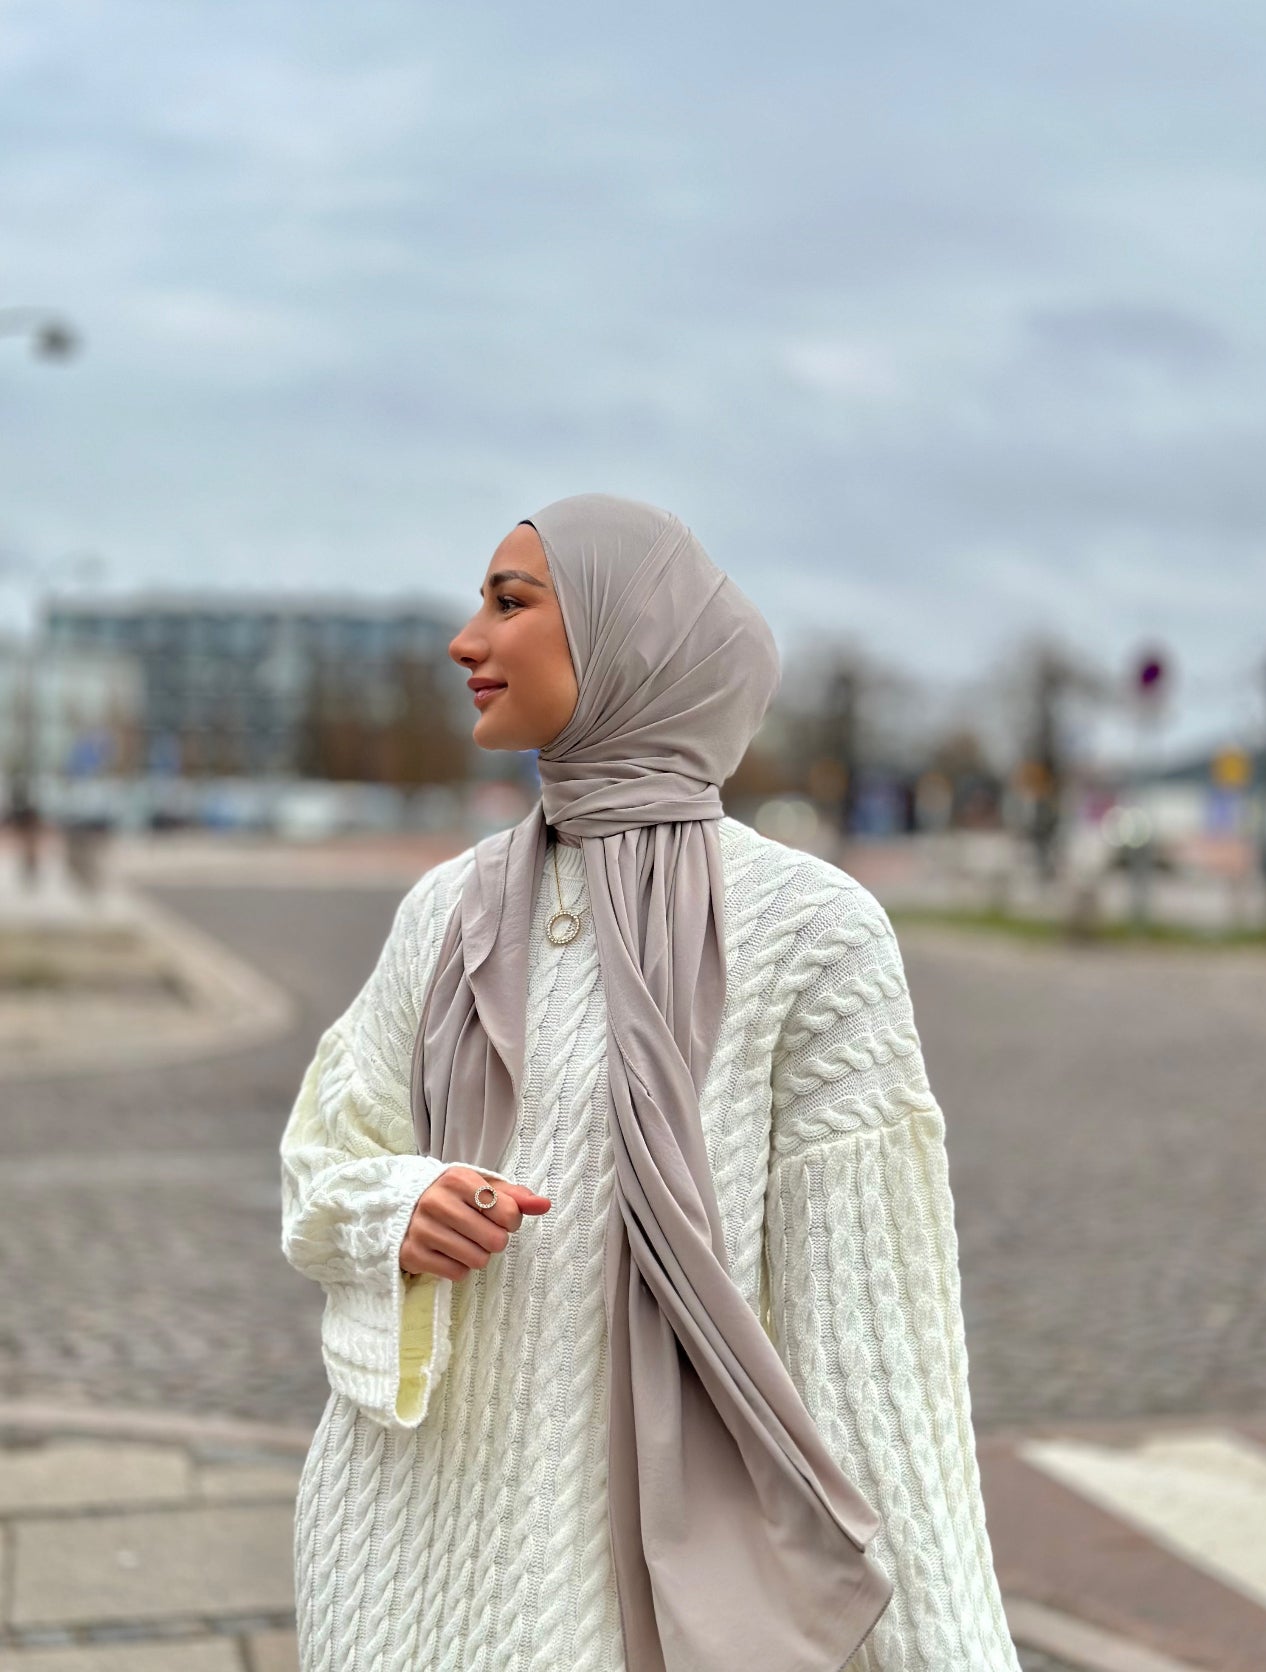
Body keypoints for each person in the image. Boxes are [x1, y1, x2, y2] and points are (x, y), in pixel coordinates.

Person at [280, 494, 1023, 1672]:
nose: (467, 641)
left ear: (628, 634)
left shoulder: (811, 932)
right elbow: (323, 1159)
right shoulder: (447, 909)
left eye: (510, 601)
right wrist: (394, 1208)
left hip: (615, 1589)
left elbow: (880, 1358)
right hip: (396, 1563)